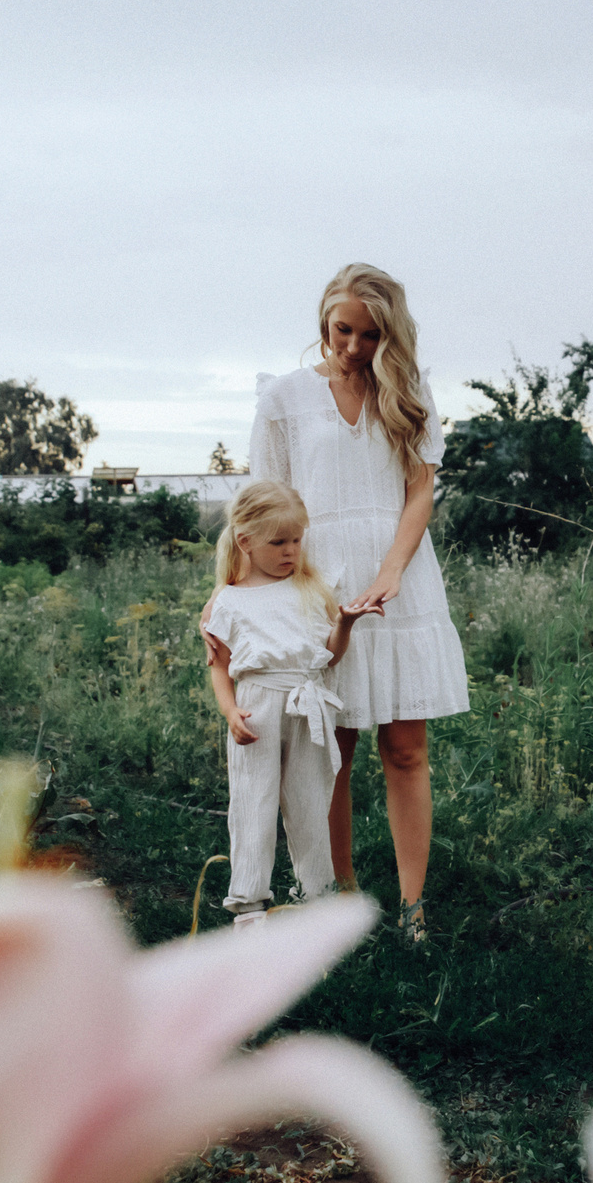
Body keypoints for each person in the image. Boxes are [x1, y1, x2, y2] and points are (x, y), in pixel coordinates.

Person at [233, 264, 470, 940]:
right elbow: (262, 504)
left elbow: (420, 489)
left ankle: (413, 908)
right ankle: (338, 898)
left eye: (370, 335)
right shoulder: (283, 398)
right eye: (343, 330)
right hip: (318, 586)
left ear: (389, 334)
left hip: (400, 582)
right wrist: (252, 596)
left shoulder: (407, 390)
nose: (354, 347)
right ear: (323, 323)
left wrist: (394, 568)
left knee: (405, 747)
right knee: (327, 751)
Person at [201, 479, 372, 930]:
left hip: (309, 705)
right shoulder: (230, 600)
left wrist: (345, 625)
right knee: (252, 801)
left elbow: (329, 657)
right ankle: (249, 905)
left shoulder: (310, 589)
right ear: (246, 542)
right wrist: (229, 710)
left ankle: (315, 898)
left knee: (311, 801)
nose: (290, 551)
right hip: (257, 706)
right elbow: (219, 665)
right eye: (278, 542)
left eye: (297, 540)